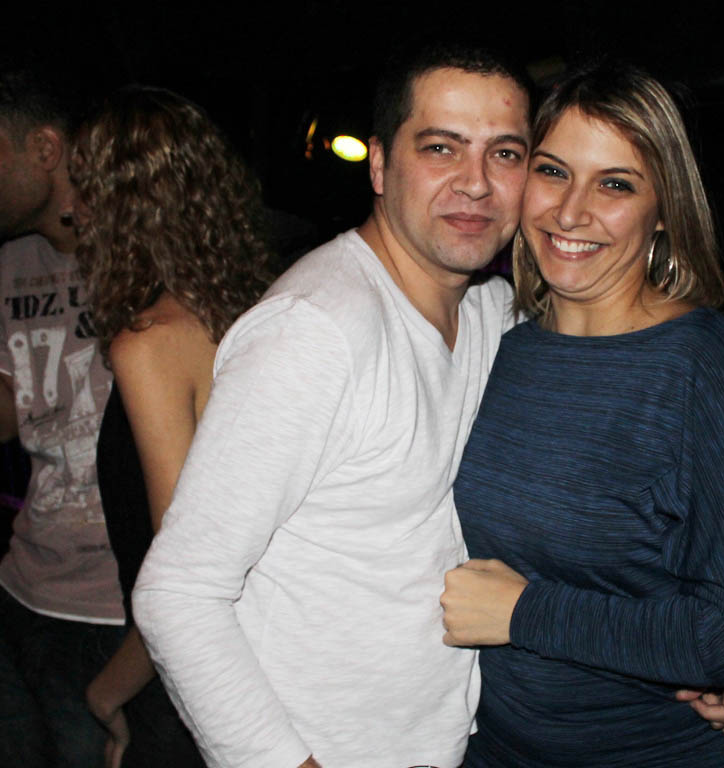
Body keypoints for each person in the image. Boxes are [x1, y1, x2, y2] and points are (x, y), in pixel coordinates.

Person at [131, 44, 530, 768]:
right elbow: (178, 592)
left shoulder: (492, 313)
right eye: (441, 148)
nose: (476, 183)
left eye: (504, 153)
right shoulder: (316, 331)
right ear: (379, 165)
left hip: (442, 744)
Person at [441, 62, 724, 766]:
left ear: (664, 208)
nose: (570, 212)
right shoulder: (497, 345)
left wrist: (525, 614)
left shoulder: (702, 368)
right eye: (553, 172)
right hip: (490, 751)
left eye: (615, 184)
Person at [70, 86, 272, 768]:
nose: (72, 211)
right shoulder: (260, 312)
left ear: (121, 208)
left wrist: (108, 694)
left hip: (191, 679)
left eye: (85, 190)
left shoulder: (151, 342)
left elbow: (183, 579)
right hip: (265, 659)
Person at [0, 68, 124, 768]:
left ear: (45, 149)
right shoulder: (11, 263)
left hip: (114, 610)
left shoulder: (145, 252)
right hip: (23, 585)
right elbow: (13, 405)